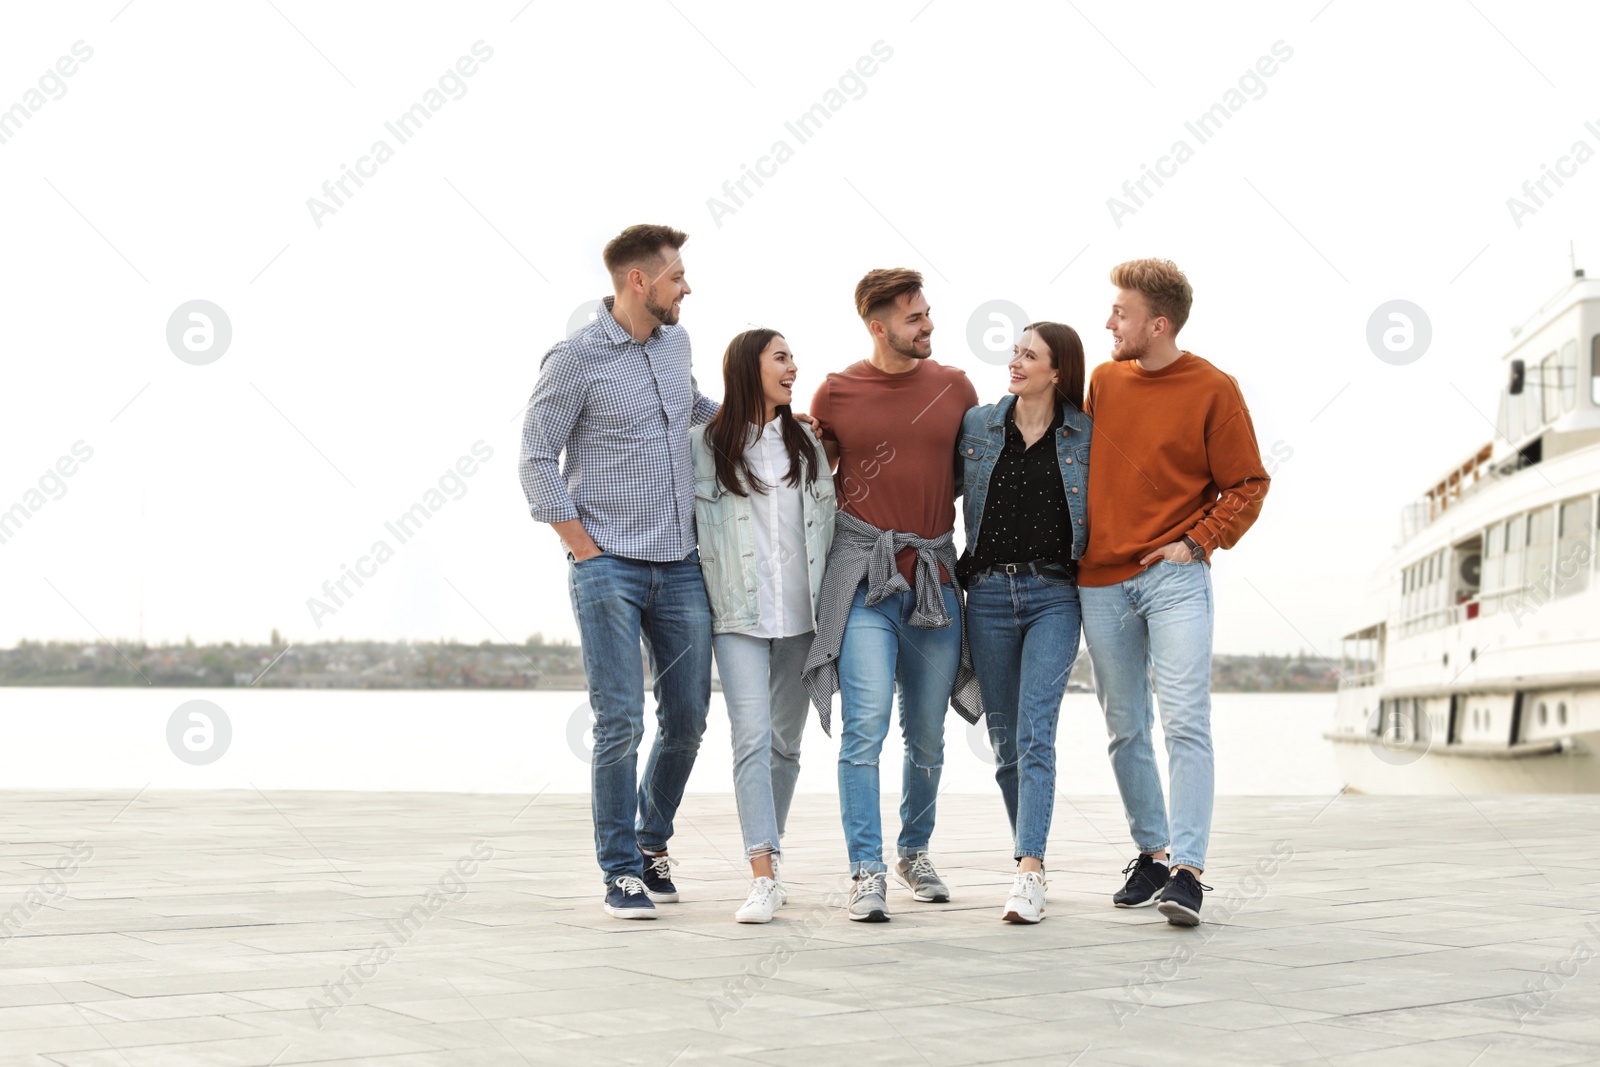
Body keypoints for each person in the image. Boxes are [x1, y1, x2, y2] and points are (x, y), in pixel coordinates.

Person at [518, 223, 716, 920]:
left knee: (689, 717)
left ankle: (651, 841)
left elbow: (693, 414)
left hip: (682, 564)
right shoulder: (574, 360)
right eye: (677, 276)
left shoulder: (677, 346)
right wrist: (584, 549)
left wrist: (771, 421)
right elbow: (536, 456)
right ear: (639, 280)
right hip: (609, 567)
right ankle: (620, 870)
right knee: (619, 722)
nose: (686, 286)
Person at [1078, 259, 1270, 927]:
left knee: (1186, 720)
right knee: (1125, 726)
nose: (1108, 323)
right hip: (1099, 581)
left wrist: (1196, 542)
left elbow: (1247, 482)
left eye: (1121, 314)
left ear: (1158, 324)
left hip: (1175, 578)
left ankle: (1187, 871)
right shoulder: (1102, 381)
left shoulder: (1215, 389)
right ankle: (1151, 855)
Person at [801, 268, 981, 923]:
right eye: (914, 318)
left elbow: (972, 476)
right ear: (878, 326)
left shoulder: (957, 388)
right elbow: (811, 479)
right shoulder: (837, 392)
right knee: (865, 728)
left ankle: (913, 850)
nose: (927, 325)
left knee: (928, 737)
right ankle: (866, 868)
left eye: (927, 313)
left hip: (933, 579)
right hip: (866, 585)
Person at [691, 328, 836, 923]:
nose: (794, 367)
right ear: (748, 367)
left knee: (785, 746)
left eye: (793, 358)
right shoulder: (703, 444)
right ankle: (762, 871)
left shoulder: (808, 442)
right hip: (737, 616)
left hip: (803, 616)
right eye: (781, 357)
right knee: (749, 739)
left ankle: (771, 859)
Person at [955, 321, 1090, 924]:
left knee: (1037, 733)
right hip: (986, 595)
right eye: (1015, 351)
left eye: (1029, 355)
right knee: (1006, 744)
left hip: (1054, 595)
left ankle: (1029, 870)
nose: (1015, 361)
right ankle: (1027, 857)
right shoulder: (978, 426)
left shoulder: (1085, 435)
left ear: (1058, 372)